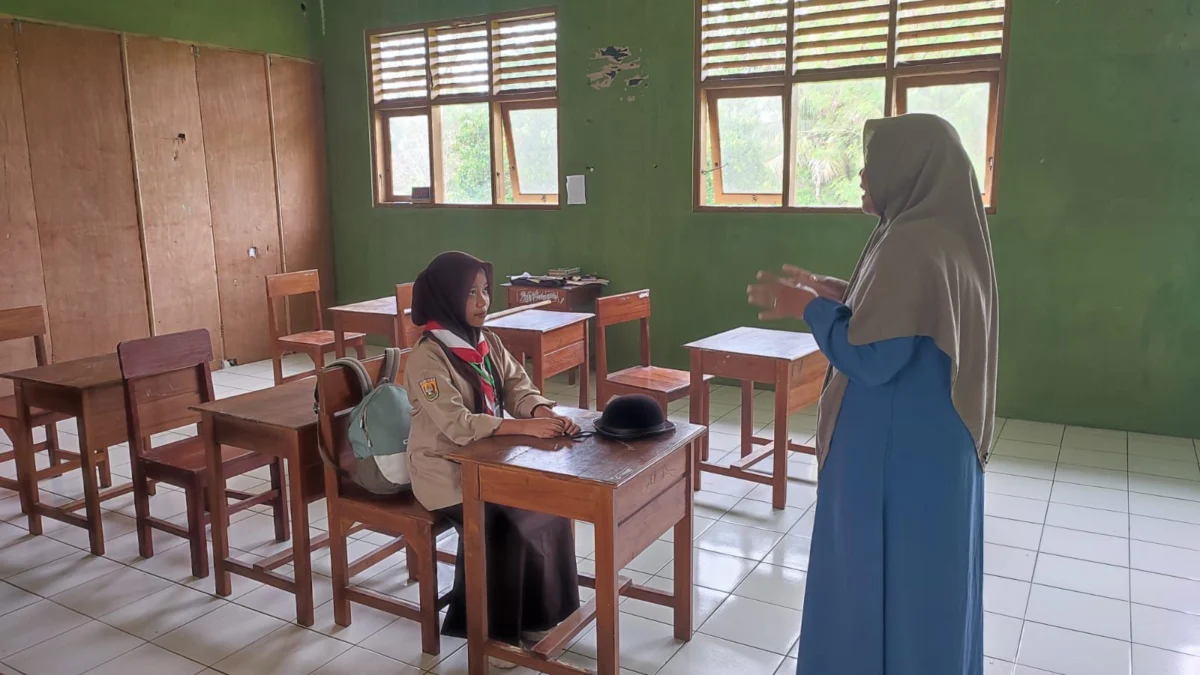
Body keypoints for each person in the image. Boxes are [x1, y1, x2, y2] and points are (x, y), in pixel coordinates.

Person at [748, 114, 998, 675]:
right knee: (927, 591)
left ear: (907, 167)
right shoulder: (945, 228)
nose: (862, 173)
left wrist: (805, 308)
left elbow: (873, 355)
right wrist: (839, 290)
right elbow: (913, 316)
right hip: (933, 452)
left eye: (874, 161)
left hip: (896, 458)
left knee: (876, 585)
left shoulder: (911, 240)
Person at [402, 251, 582, 668]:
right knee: (501, 523)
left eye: (484, 291)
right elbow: (456, 424)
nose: (483, 302)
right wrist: (522, 429)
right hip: (443, 472)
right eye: (470, 293)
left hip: (490, 462)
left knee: (548, 504)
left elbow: (518, 387)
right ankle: (493, 634)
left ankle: (541, 616)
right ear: (447, 297)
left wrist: (542, 414)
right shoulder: (427, 357)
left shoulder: (486, 342)